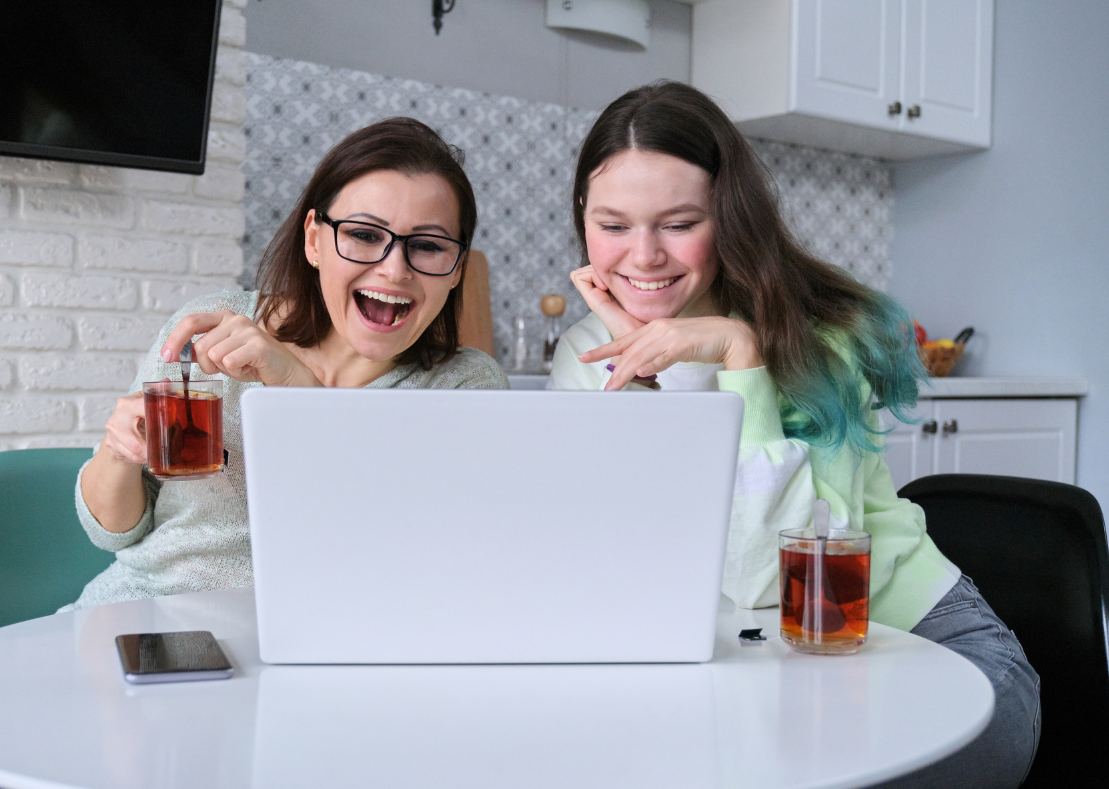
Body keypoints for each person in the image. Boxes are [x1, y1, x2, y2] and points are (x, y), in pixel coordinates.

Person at [549, 82, 1039, 789]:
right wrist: (657, 358)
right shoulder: (586, 354)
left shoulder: (822, 339)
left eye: (679, 222)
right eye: (614, 224)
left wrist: (735, 356)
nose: (645, 255)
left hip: (919, 645)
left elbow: (782, 582)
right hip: (749, 661)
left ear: (730, 217)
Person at [67, 117, 508, 611]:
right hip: (139, 612)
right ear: (314, 241)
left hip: (318, 643)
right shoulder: (210, 327)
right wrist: (117, 453)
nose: (394, 269)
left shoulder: (465, 388)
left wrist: (294, 385)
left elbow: (415, 556)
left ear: (457, 270)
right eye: (363, 234)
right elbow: (113, 535)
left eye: (427, 245)